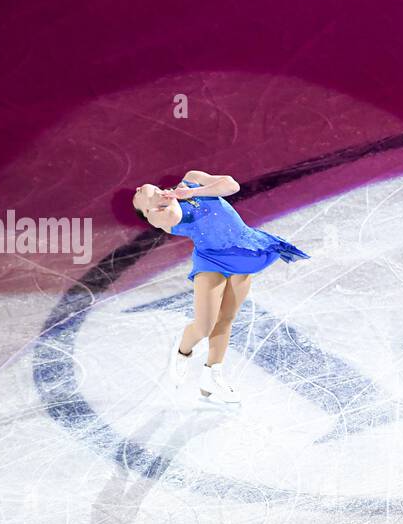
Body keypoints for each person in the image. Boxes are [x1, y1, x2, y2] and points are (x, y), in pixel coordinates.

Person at [132, 171, 310, 404]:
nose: (156, 191)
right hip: (212, 261)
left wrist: (191, 192)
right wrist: (167, 202)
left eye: (154, 187)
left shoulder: (191, 179)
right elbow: (166, 216)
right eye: (149, 197)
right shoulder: (166, 217)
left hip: (244, 251)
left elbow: (231, 185)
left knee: (225, 319)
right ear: (148, 211)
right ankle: (182, 351)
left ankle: (211, 377)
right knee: (205, 326)